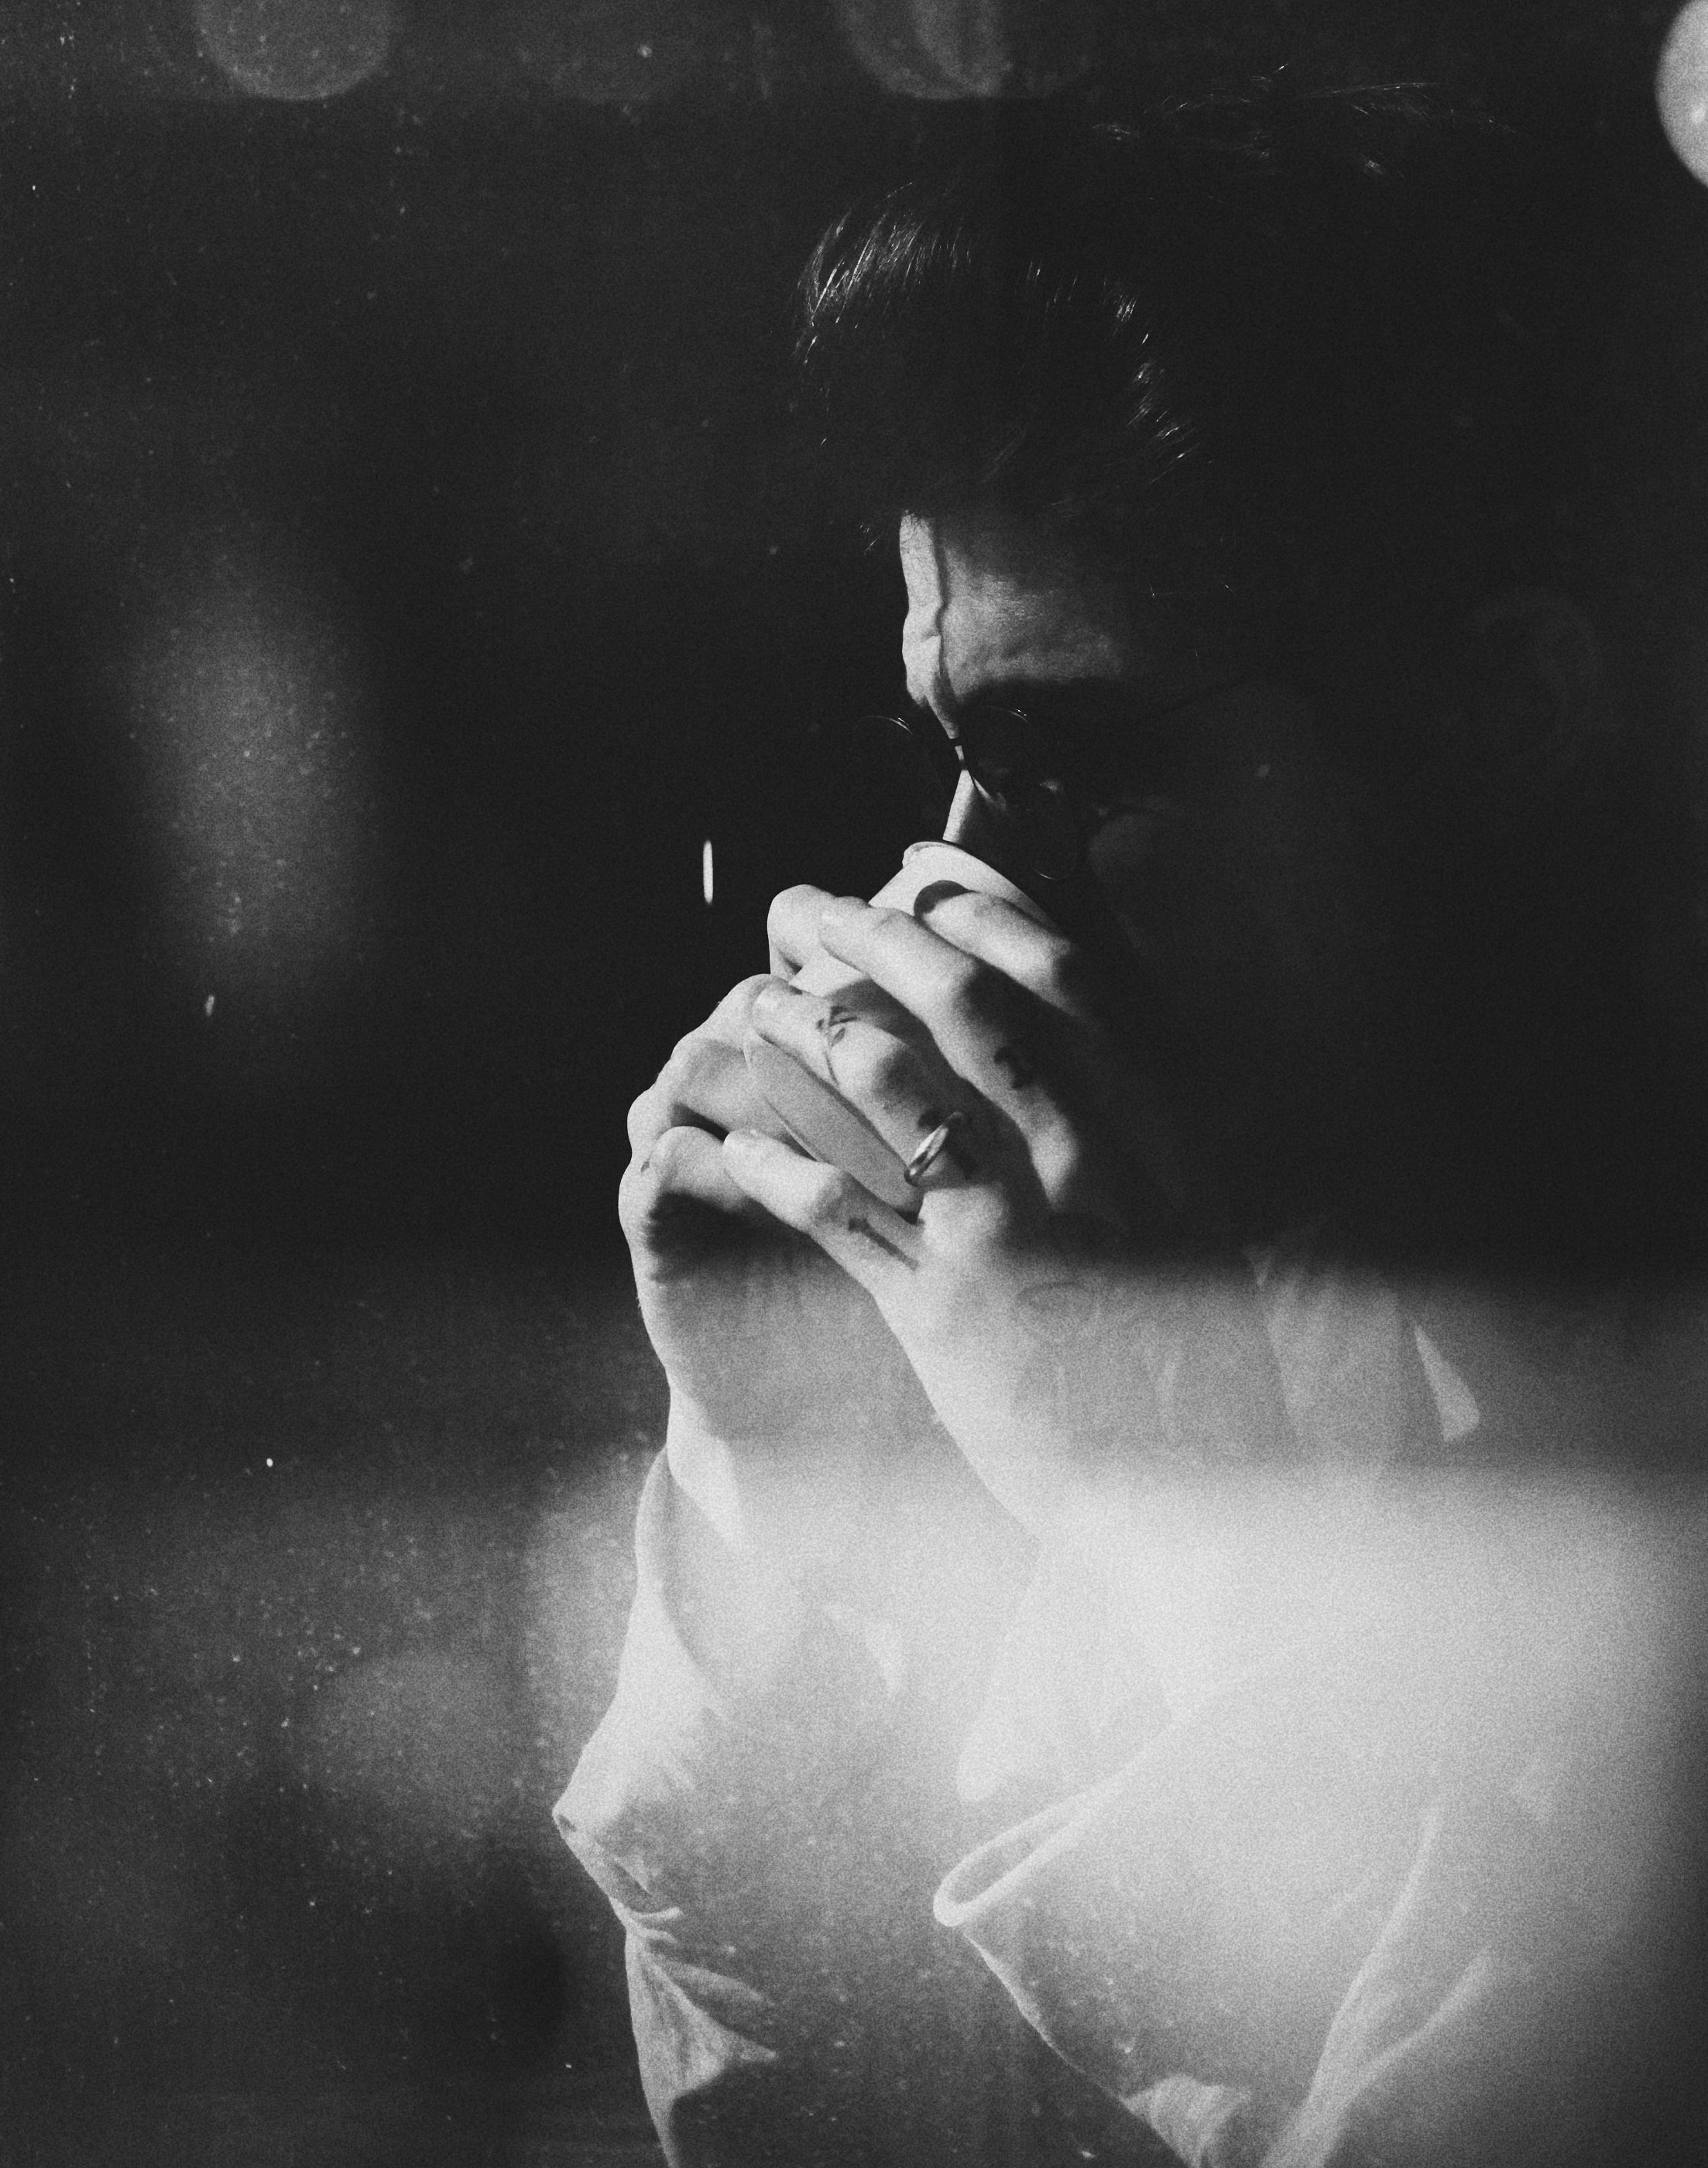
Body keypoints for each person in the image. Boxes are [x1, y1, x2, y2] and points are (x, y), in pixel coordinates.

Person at [554, 81, 1708, 2168]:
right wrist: (764, 1504)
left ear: (1504, 728)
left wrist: (1183, 1533)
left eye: (1073, 753)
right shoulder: (1104, 1309)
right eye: (947, 755)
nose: (954, 879)